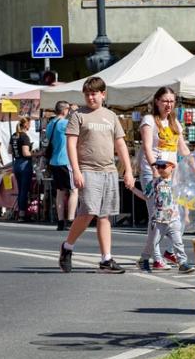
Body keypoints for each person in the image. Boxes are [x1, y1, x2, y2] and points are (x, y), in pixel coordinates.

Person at [58, 76, 135, 274]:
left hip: (109, 170)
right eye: (87, 94)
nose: (90, 98)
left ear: (103, 94)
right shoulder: (78, 116)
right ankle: (67, 246)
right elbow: (71, 145)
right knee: (88, 212)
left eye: (94, 94)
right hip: (88, 170)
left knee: (104, 215)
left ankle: (106, 258)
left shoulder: (111, 116)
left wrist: (128, 170)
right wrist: (76, 170)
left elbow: (120, 144)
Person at [137, 87, 190, 270]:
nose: (168, 104)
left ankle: (166, 252)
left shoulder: (175, 123)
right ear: (157, 101)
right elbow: (147, 147)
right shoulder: (149, 120)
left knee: (177, 215)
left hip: (172, 173)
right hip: (153, 172)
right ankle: (156, 257)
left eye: (171, 101)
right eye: (165, 101)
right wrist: (155, 170)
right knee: (156, 216)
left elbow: (182, 148)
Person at [140, 159, 194, 274]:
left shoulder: (177, 184)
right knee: (152, 243)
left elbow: (184, 199)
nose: (160, 169)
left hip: (174, 219)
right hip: (158, 219)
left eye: (163, 166)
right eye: (157, 167)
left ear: (172, 167)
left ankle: (182, 263)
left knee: (178, 243)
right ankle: (144, 259)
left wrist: (186, 214)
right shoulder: (154, 182)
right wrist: (132, 188)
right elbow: (145, 196)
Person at [45, 101, 77, 231]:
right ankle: (70, 220)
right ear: (64, 110)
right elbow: (76, 126)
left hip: (54, 161)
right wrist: (74, 113)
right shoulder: (64, 123)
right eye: (68, 109)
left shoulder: (50, 124)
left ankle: (60, 221)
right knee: (74, 191)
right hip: (65, 160)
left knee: (60, 192)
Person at [9, 116, 34, 222]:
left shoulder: (14, 135)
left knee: (20, 190)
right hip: (24, 164)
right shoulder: (24, 137)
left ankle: (21, 213)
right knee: (24, 190)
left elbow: (10, 150)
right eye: (30, 124)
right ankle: (22, 214)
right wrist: (37, 153)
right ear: (26, 125)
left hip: (16, 164)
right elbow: (26, 153)